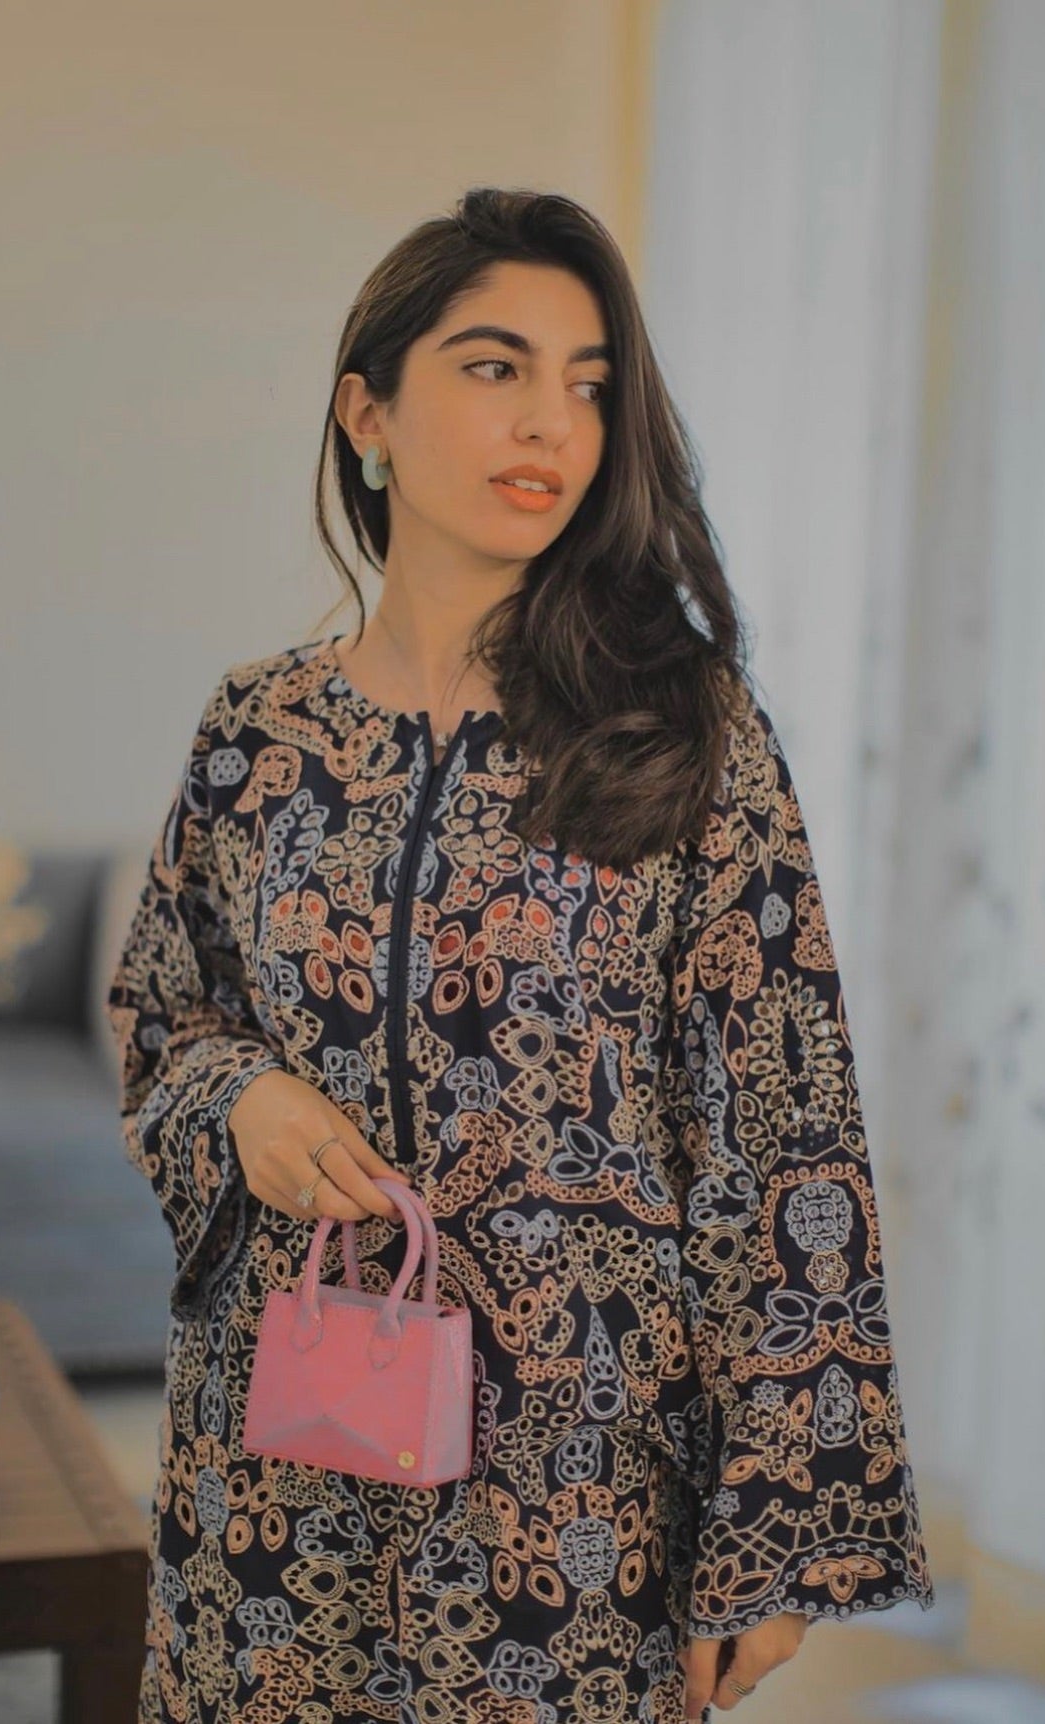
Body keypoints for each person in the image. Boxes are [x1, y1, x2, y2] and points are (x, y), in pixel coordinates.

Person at [108, 186, 936, 1724]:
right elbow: (167, 1018)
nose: (550, 420)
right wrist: (239, 1099)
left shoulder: (682, 727)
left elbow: (784, 1134)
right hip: (279, 1455)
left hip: (572, 1483)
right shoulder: (257, 727)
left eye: (587, 384)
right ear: (368, 412)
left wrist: (770, 1536)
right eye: (494, 366)